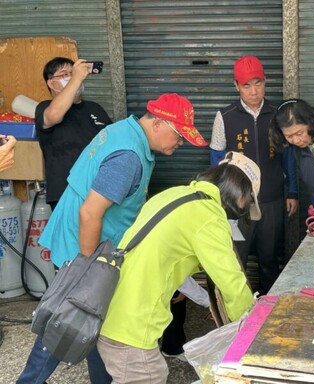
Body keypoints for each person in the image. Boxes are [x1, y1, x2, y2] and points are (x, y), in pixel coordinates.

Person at [17, 93, 207, 384]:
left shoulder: (124, 131)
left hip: (90, 245)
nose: (180, 143)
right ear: (158, 123)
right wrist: (88, 270)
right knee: (68, 322)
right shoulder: (128, 157)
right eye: (178, 135)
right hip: (84, 248)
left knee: (94, 321)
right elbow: (90, 214)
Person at [97, 151, 257, 383]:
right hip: (131, 328)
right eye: (248, 203)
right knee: (150, 376)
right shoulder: (209, 215)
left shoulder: (174, 195)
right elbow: (233, 284)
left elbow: (167, 255)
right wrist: (250, 329)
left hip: (110, 309)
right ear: (241, 193)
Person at [209, 55, 298, 295]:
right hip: (237, 204)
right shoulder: (225, 117)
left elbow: (288, 156)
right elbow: (216, 159)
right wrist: (220, 198)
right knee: (236, 259)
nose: (253, 91)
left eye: (258, 83)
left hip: (271, 199)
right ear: (236, 85)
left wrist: (292, 191)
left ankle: (268, 311)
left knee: (270, 259)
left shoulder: (278, 115)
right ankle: (237, 313)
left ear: (265, 82)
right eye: (246, 85)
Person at [36, 57, 112, 210]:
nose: (71, 77)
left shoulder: (95, 108)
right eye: (65, 74)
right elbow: (55, 115)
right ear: (51, 83)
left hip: (99, 192)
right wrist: (75, 78)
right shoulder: (45, 107)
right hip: (66, 193)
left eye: (73, 73)